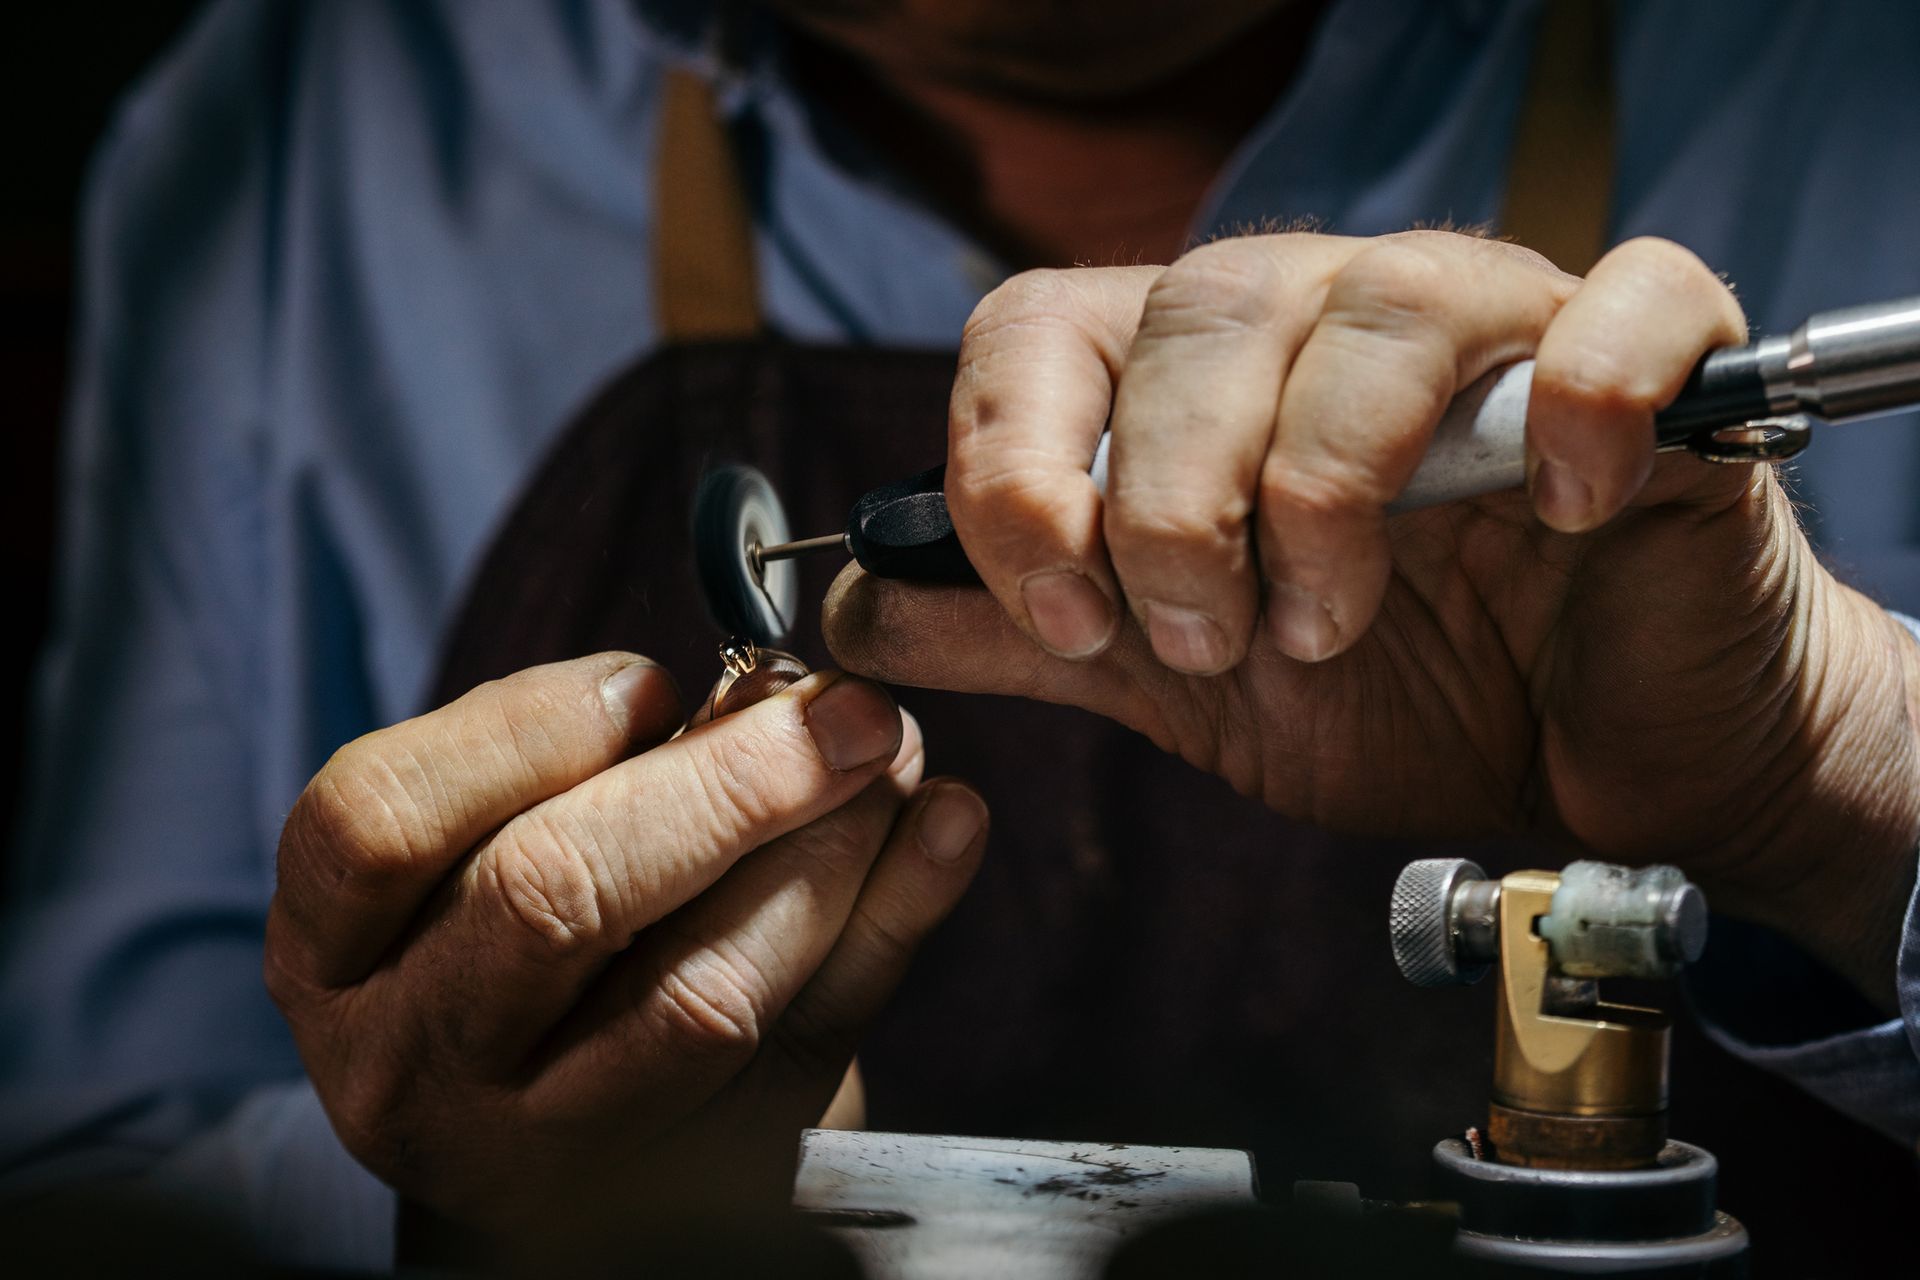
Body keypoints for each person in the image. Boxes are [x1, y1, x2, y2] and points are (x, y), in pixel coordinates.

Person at [4, 0, 1918, 1271]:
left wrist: (1831, 777)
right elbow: (90, 1165)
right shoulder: (300, 128)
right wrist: (467, 1179)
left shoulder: (1854, 79)